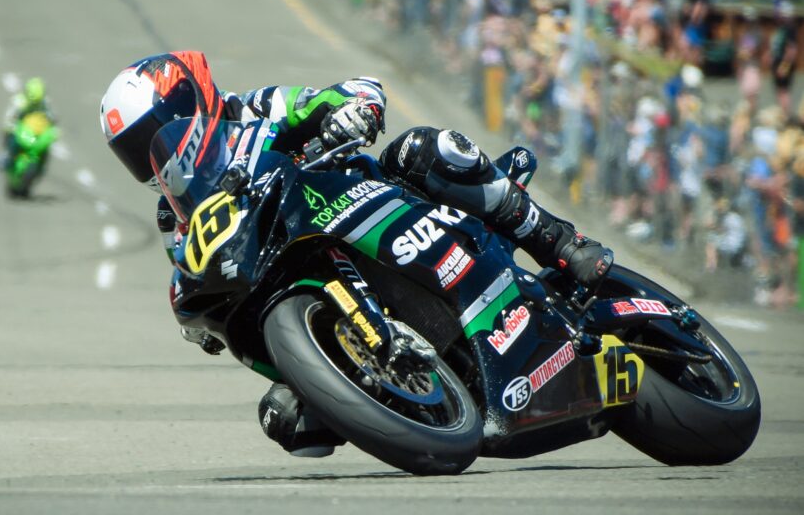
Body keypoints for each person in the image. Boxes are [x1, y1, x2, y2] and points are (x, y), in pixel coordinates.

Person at [99, 51, 613, 457]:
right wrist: (198, 320)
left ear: (186, 98)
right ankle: (382, 387)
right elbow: (194, 271)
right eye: (132, 150)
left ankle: (557, 239)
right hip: (296, 276)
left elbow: (355, 89)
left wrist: (354, 109)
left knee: (427, 150)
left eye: (151, 134)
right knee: (288, 422)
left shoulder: (257, 110)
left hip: (367, 200)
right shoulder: (175, 217)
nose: (148, 156)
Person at [0, 77, 55, 172]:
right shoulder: (19, 102)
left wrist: (52, 126)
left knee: (45, 147)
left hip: (35, 130)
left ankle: (41, 165)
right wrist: (11, 128)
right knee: (13, 142)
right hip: (21, 129)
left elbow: (51, 116)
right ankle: (8, 157)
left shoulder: (44, 103)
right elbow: (9, 118)